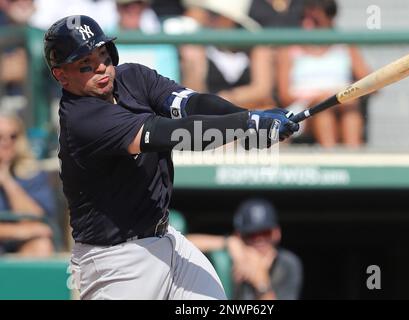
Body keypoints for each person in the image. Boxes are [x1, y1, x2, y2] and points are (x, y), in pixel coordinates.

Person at [44, 15, 299, 300]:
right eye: (85, 64)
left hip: (166, 239)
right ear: (61, 75)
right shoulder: (82, 119)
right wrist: (245, 124)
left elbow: (192, 104)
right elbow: (173, 133)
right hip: (116, 262)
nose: (101, 67)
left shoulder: (133, 77)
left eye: (103, 54)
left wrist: (248, 118)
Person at [277, 0, 370, 148]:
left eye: (315, 20)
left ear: (330, 19)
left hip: (342, 105)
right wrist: (319, 97)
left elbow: (370, 83)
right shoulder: (290, 48)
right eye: (304, 17)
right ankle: (331, 162)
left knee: (350, 109)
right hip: (304, 110)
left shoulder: (346, 46)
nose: (307, 24)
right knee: (322, 111)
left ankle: (354, 160)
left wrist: (346, 94)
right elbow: (284, 95)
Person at [188, 198, 303, 300]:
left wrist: (261, 282)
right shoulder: (230, 254)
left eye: (265, 233)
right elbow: (181, 245)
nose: (259, 240)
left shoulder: (287, 263)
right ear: (239, 235)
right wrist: (228, 242)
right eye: (251, 234)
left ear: (276, 233)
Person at [180, 0, 275, 109]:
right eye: (208, 12)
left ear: (232, 20)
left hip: (249, 118)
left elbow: (262, 91)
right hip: (212, 120)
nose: (208, 18)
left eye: (215, 14)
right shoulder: (198, 49)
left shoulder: (257, 48)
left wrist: (225, 99)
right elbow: (194, 98)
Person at [0, 111, 56, 257]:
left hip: (19, 249)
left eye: (13, 136)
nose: (6, 142)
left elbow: (37, 220)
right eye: (0, 137)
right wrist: (20, 232)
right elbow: (35, 228)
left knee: (41, 244)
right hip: (14, 240)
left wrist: (6, 180)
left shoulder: (32, 175)